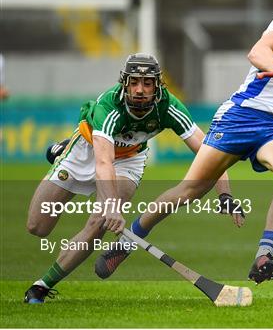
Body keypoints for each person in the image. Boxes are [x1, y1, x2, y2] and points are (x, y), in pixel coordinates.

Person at [95, 0, 273, 284]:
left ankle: (265, 254)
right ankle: (126, 243)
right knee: (190, 190)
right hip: (242, 117)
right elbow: (258, 52)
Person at [23, 53, 241, 304]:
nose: (140, 90)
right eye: (134, 82)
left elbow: (210, 154)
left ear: (157, 86)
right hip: (88, 149)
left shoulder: (168, 107)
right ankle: (61, 149)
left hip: (129, 159)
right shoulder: (109, 106)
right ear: (125, 83)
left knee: (99, 223)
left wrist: (225, 195)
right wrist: (112, 206)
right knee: (37, 227)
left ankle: (41, 286)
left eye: (147, 84)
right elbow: (103, 162)